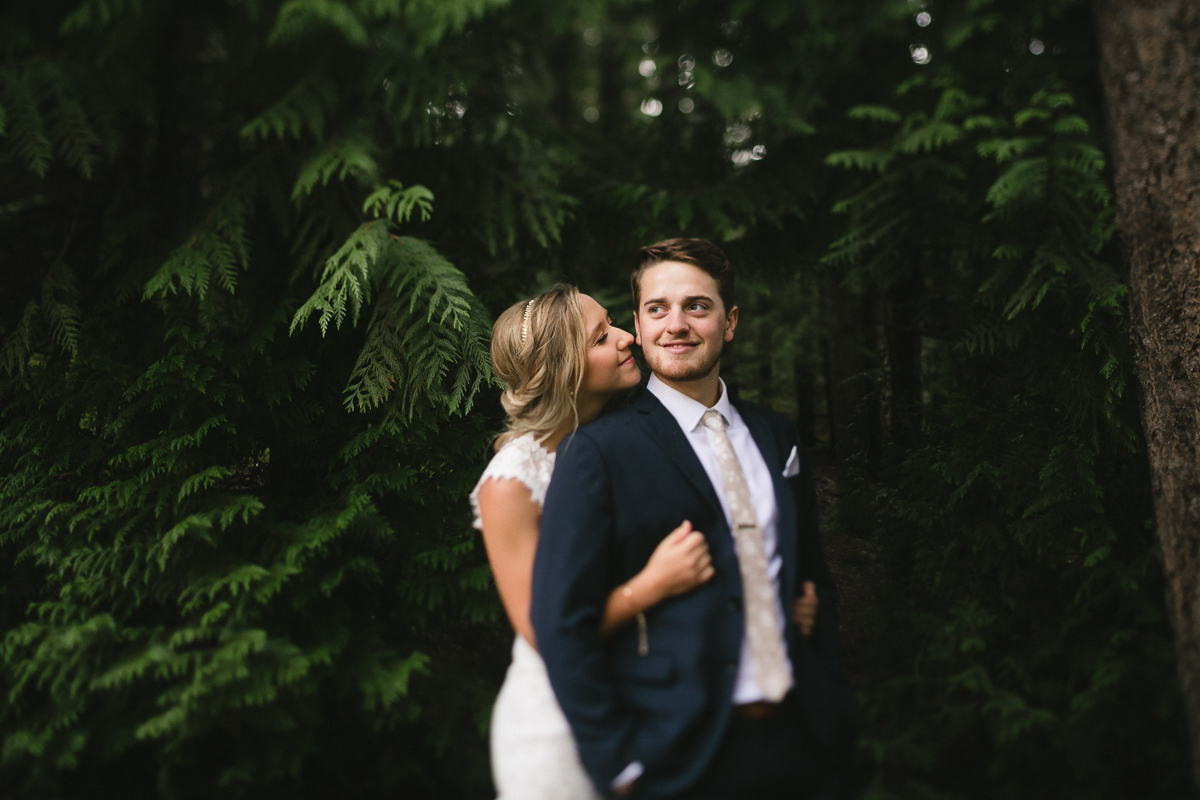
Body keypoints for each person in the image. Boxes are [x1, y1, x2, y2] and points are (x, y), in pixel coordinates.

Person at [531, 239, 850, 799]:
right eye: (657, 309)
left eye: (696, 307)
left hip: (802, 740)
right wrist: (621, 767)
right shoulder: (600, 452)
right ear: (638, 321)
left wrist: (823, 676)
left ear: (729, 323)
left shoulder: (777, 435)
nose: (675, 324)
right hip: (677, 756)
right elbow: (561, 624)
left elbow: (811, 573)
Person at [471, 284, 719, 800]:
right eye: (603, 337)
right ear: (566, 370)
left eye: (614, 324)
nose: (629, 338)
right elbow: (548, 632)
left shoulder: (619, 443)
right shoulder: (511, 483)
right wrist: (651, 586)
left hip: (646, 701)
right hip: (558, 726)